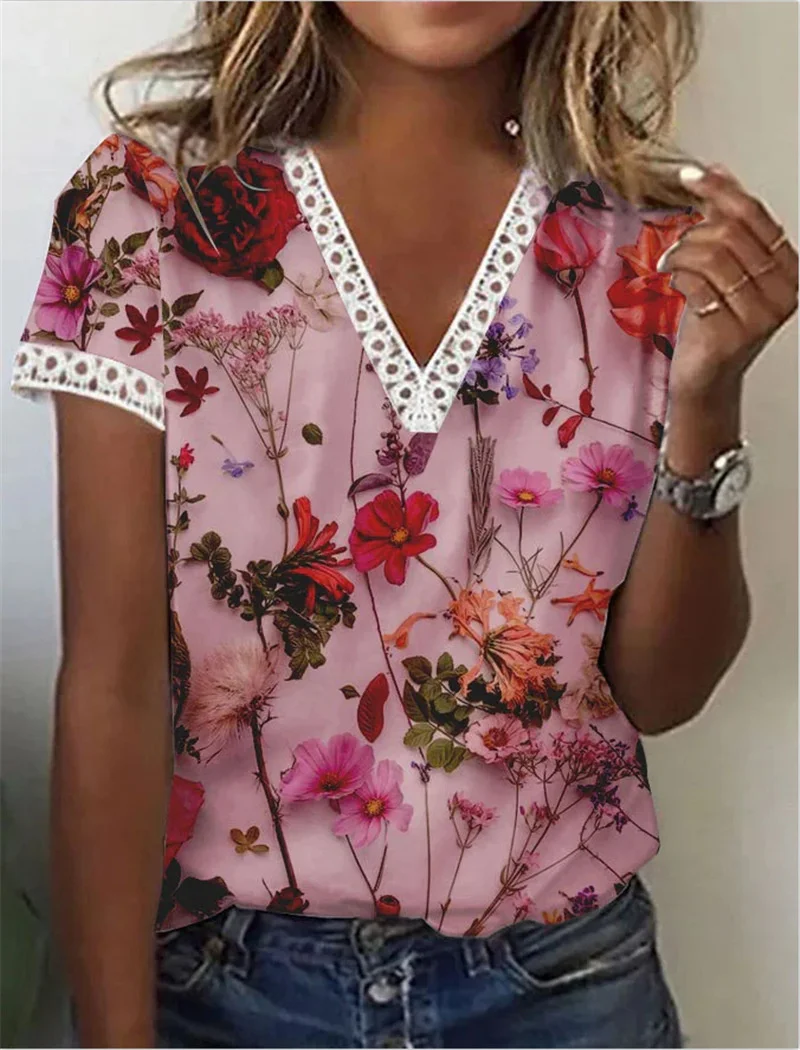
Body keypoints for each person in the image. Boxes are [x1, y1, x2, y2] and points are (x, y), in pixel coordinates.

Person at [10, 2, 797, 1048]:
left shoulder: (652, 243)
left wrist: (706, 396)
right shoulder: (148, 211)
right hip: (223, 990)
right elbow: (110, 684)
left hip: (562, 989)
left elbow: (661, 691)